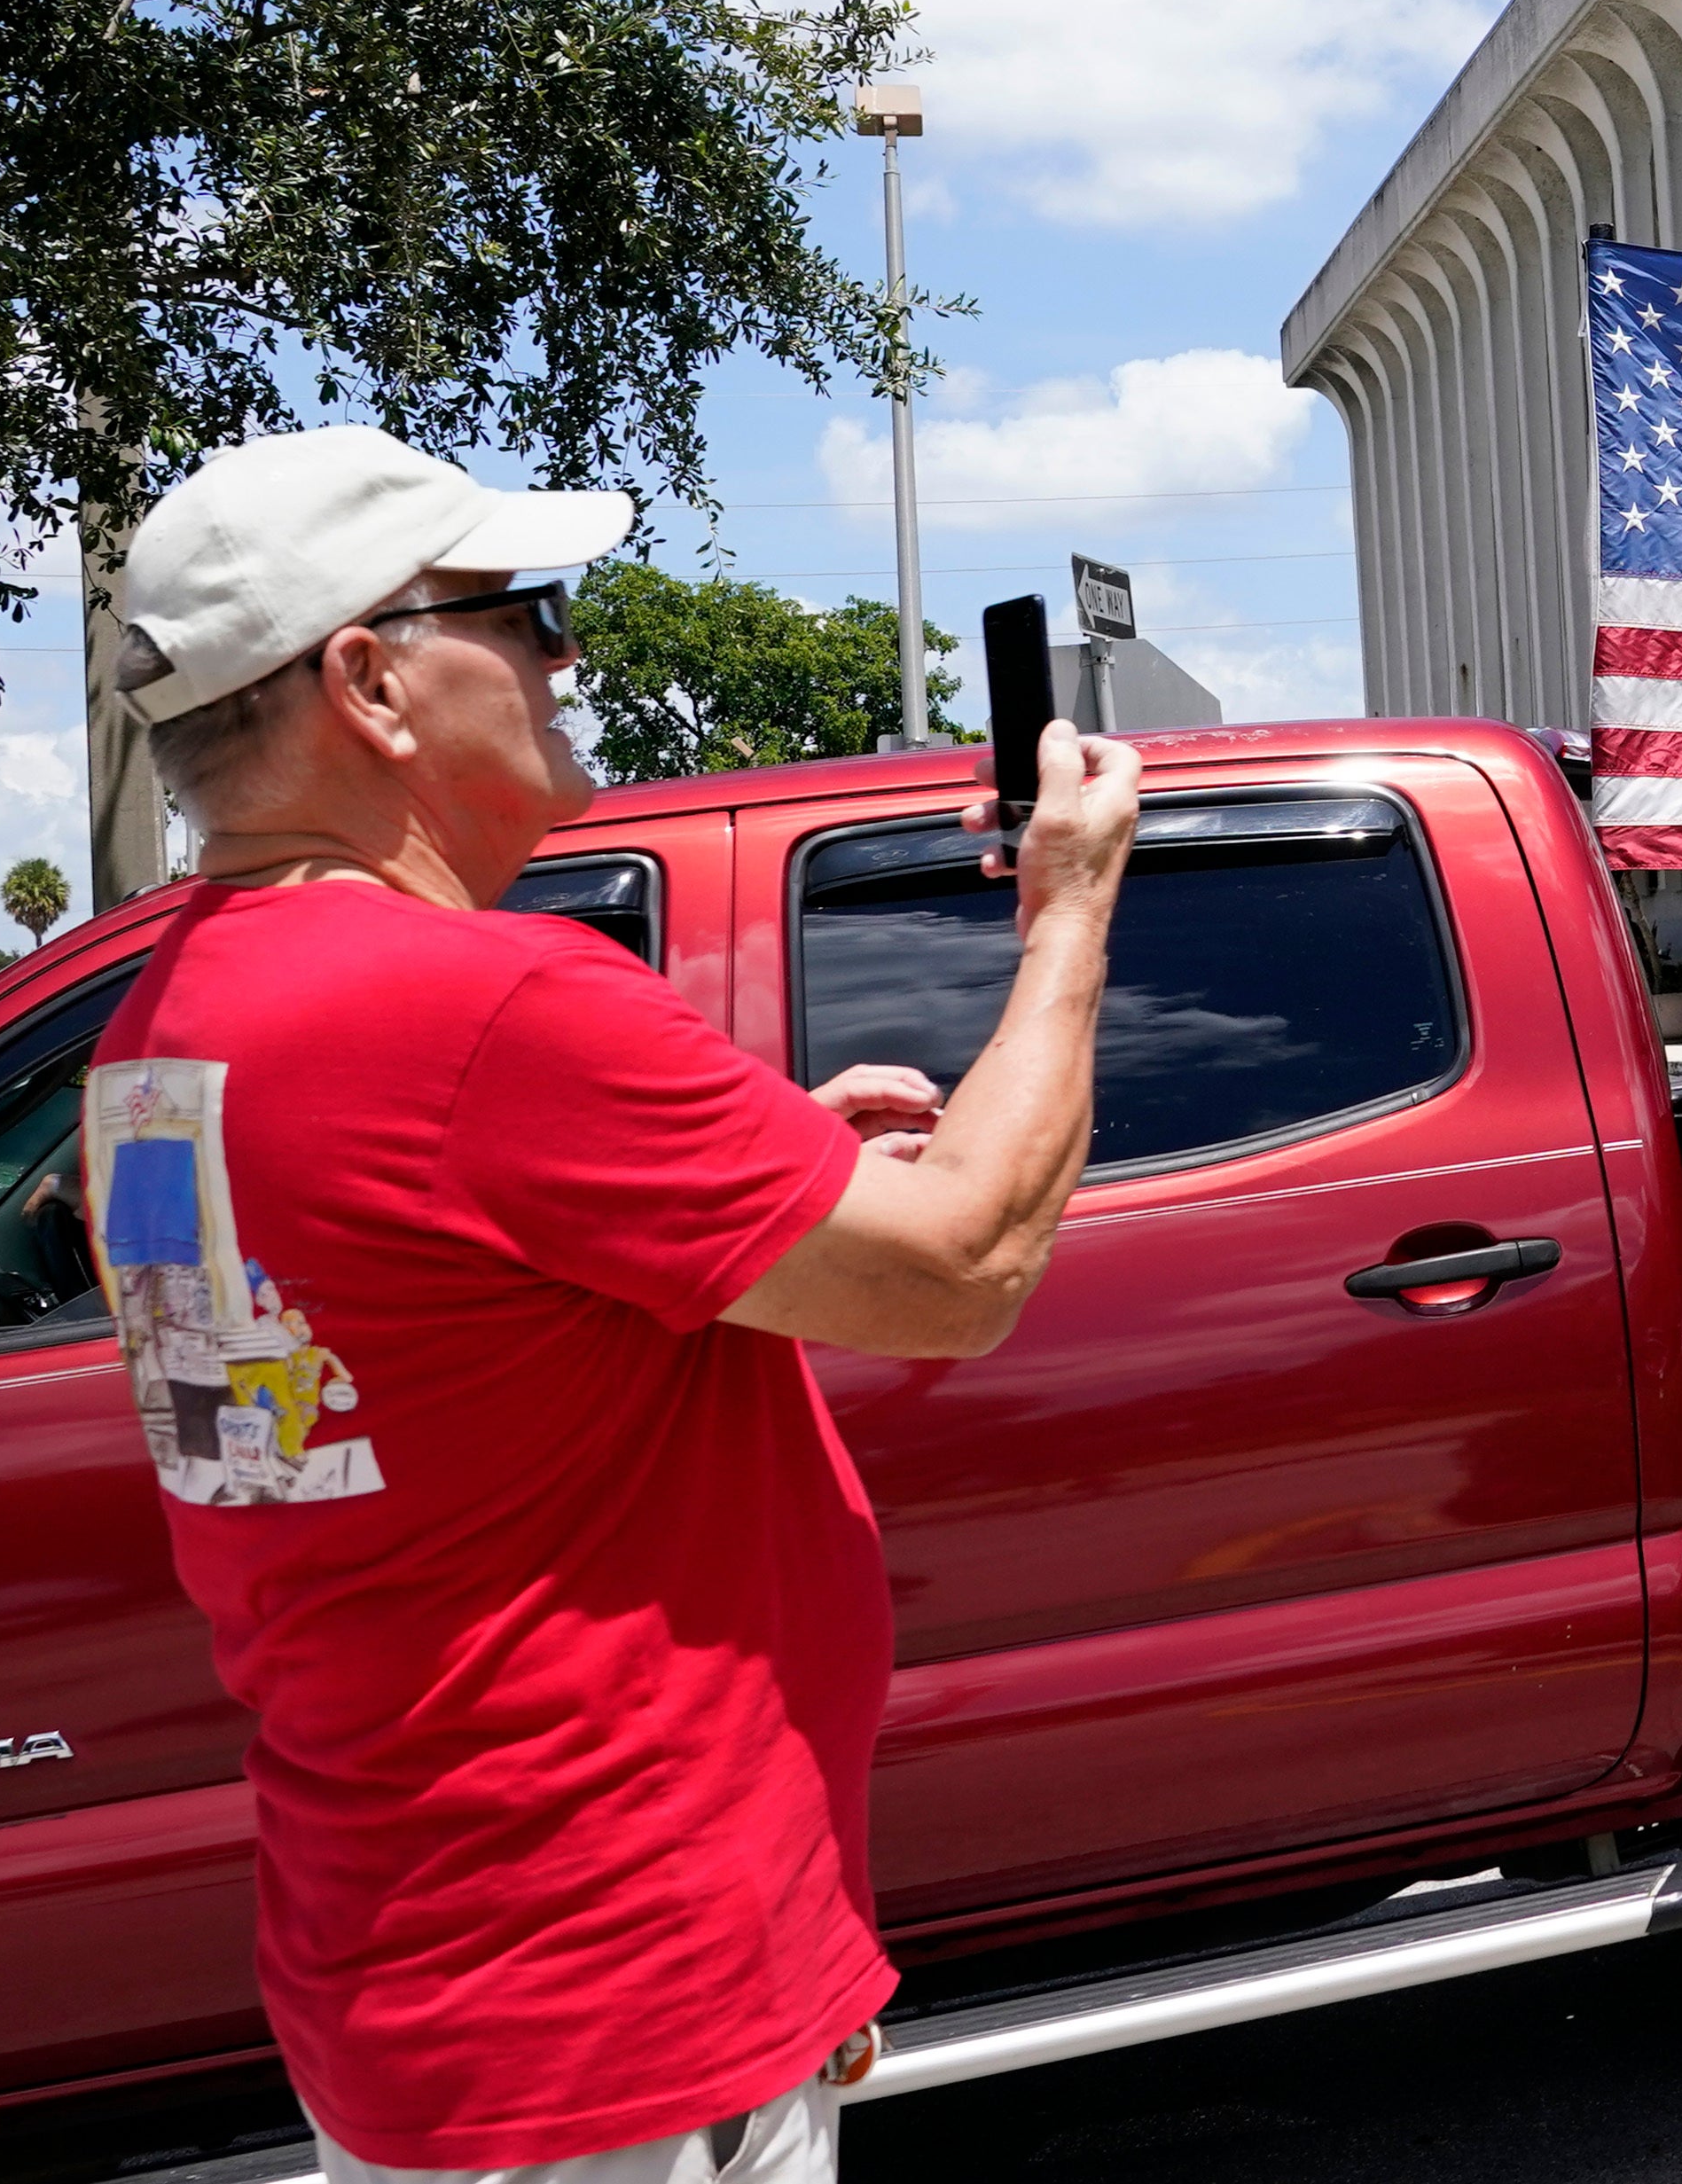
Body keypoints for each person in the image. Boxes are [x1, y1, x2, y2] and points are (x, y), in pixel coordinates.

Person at [86, 426, 1141, 2184]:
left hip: (425, 1979)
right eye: (526, 610)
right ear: (371, 677)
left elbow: (357, 1359)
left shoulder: (160, 1033)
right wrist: (1071, 908)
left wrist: (743, 1178)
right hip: (611, 2009)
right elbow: (964, 1269)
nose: (566, 659)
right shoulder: (478, 1004)